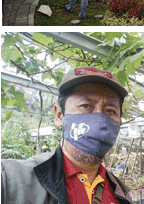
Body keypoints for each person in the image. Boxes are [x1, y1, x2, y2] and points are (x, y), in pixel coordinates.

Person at [1, 66, 132, 204]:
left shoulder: (122, 194)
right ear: (59, 115)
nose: (99, 120)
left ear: (119, 123)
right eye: (86, 106)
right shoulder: (10, 179)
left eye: (110, 111)